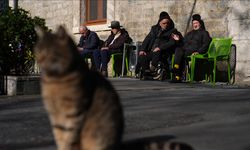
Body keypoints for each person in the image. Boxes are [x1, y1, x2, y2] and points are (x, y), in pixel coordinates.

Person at [136, 11, 183, 80]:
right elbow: (147, 39)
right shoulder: (154, 29)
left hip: (163, 52)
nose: (166, 25)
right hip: (152, 50)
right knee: (143, 56)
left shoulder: (173, 31)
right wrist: (142, 49)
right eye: (164, 23)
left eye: (167, 23)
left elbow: (172, 42)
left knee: (157, 53)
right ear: (159, 23)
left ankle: (152, 70)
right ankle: (146, 74)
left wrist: (160, 48)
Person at [171, 14, 212, 82]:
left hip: (194, 50)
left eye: (196, 23)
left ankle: (177, 75)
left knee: (181, 54)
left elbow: (206, 44)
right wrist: (178, 39)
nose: (195, 25)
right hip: (185, 50)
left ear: (200, 24)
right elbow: (183, 43)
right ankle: (176, 68)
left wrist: (199, 52)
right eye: (193, 23)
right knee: (178, 49)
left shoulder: (204, 33)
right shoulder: (189, 33)